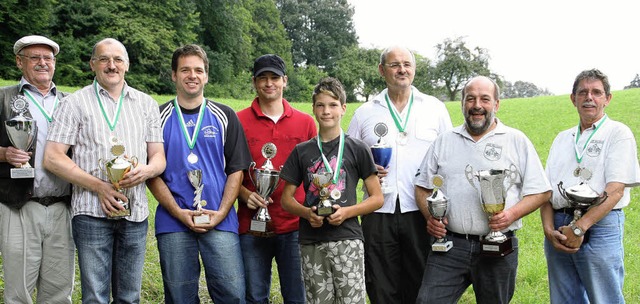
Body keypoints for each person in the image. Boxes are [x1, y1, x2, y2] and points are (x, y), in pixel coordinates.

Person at [43, 38, 166, 303]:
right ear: (92, 65)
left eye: (118, 59)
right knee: (95, 297)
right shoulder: (74, 103)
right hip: (90, 213)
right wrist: (99, 186)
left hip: (135, 213)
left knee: (130, 296)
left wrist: (145, 171)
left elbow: (159, 158)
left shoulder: (147, 104)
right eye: (104, 59)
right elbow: (53, 158)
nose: (112, 65)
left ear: (127, 65)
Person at [414, 76, 551, 303]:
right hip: (450, 246)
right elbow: (421, 186)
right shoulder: (445, 140)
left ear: (496, 104)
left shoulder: (516, 140)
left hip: (499, 247)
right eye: (471, 99)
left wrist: (511, 215)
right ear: (462, 104)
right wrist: (431, 216)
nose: (477, 105)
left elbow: (541, 191)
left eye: (484, 99)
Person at [346, 45, 452, 303]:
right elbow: (347, 162)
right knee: (380, 283)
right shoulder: (365, 112)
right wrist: (367, 168)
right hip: (378, 211)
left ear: (414, 69)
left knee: (421, 281)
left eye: (407, 64)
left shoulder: (435, 108)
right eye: (394, 65)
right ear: (382, 70)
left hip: (422, 212)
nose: (402, 70)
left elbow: (450, 158)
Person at [146, 44, 251, 303]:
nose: (192, 75)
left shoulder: (225, 115)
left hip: (220, 219)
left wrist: (222, 213)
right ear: (173, 75)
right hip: (174, 222)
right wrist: (178, 212)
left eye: (198, 70)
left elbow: (236, 169)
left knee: (232, 296)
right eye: (185, 70)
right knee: (179, 297)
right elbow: (151, 173)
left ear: (206, 75)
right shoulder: (157, 117)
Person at [280, 77, 384, 303]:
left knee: (351, 300)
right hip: (311, 240)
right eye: (321, 105)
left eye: (333, 105)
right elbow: (286, 200)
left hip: (347, 238)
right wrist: (307, 213)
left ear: (343, 109)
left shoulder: (358, 148)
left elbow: (377, 198)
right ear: (314, 109)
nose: (327, 111)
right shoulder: (302, 151)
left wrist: (346, 212)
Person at [541, 69, 640, 303]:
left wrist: (579, 228)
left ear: (608, 98)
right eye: (583, 92)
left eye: (597, 92)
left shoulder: (618, 133)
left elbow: (615, 190)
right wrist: (548, 230)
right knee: (565, 298)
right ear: (573, 98)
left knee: (604, 298)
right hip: (558, 225)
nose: (589, 97)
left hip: (600, 225)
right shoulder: (562, 138)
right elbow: (546, 191)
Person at [236, 54, 316, 303]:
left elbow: (315, 174)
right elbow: (229, 170)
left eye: (274, 78)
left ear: (285, 81)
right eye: (263, 78)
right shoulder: (237, 121)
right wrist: (245, 193)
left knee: (296, 296)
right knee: (254, 296)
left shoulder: (305, 123)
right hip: (252, 226)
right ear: (254, 82)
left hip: (294, 225)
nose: (269, 83)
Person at [0, 35, 73, 303]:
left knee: (59, 290)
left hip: (62, 206)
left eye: (48, 58)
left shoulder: (70, 101)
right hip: (18, 205)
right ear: (20, 62)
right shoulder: (4, 97)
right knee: (18, 292)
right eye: (35, 58)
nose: (43, 63)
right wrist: (4, 153)